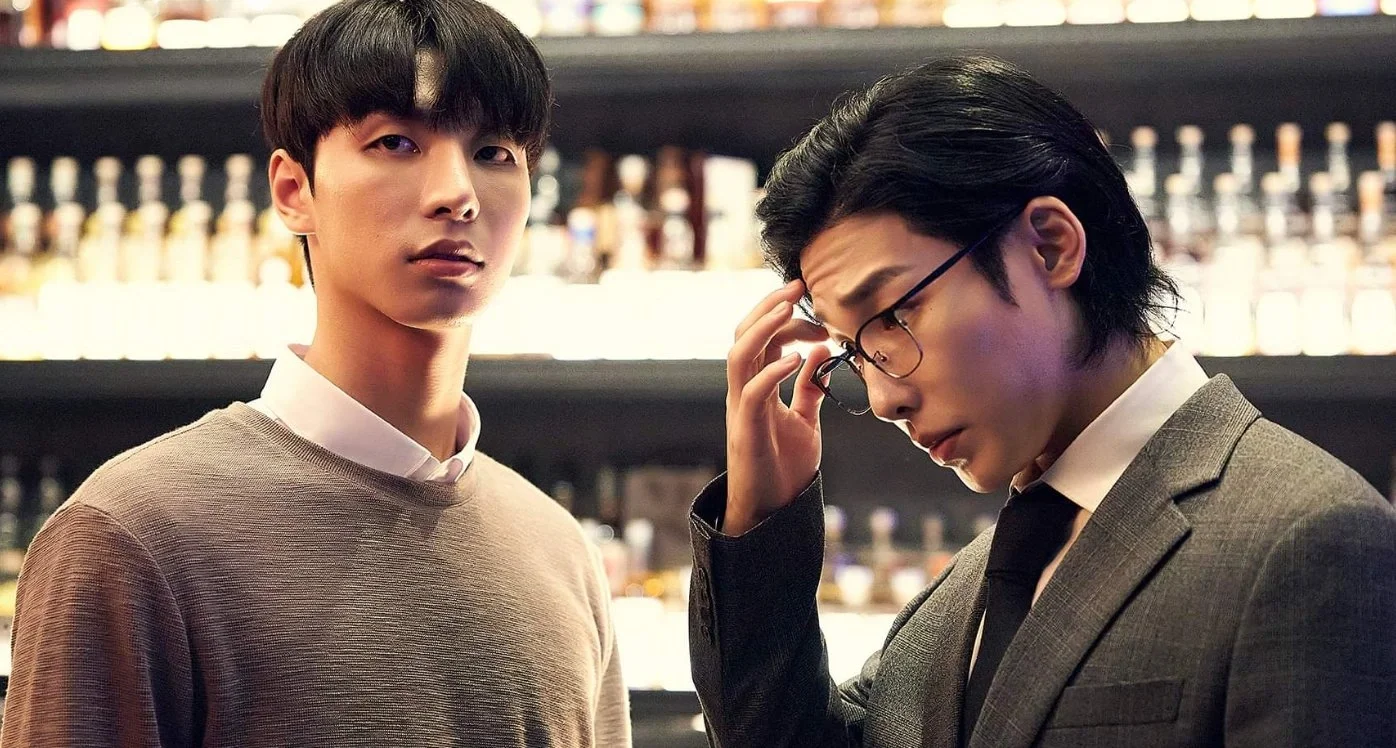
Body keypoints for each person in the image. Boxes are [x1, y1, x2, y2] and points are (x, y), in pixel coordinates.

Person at [688, 55, 1395, 748]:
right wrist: (761, 521)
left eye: (894, 317)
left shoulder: (1310, 541)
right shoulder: (952, 604)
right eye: (853, 351)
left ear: (1051, 247)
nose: (880, 400)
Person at [2, 1, 631, 745]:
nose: (457, 194)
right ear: (294, 190)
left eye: (494, 153)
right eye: (396, 142)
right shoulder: (133, 534)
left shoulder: (560, 552)